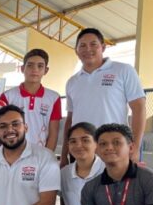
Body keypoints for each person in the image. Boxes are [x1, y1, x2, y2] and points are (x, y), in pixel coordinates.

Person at [62, 28, 146, 166]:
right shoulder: (72, 82)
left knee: (115, 187)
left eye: (93, 44)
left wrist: (135, 147)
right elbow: (70, 120)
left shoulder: (123, 70)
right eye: (82, 45)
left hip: (113, 148)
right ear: (76, 51)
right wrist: (65, 154)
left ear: (103, 47)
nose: (87, 49)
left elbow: (139, 108)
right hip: (81, 150)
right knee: (83, 188)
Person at [0, 49, 62, 151]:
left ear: (46, 71)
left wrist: (47, 156)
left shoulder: (53, 97)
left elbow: (53, 132)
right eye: (30, 65)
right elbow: (2, 129)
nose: (35, 70)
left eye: (40, 66)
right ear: (22, 68)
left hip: (41, 155)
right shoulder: (7, 96)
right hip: (14, 154)